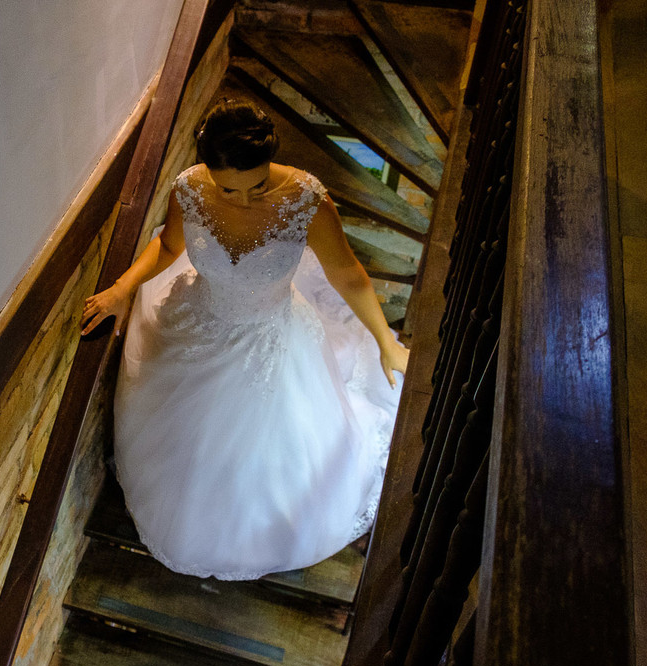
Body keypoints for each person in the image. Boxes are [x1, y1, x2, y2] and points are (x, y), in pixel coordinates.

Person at [80, 99, 409, 580]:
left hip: (272, 339)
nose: (244, 201)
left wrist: (384, 341)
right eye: (228, 189)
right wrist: (120, 289)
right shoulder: (189, 189)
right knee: (192, 441)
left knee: (270, 449)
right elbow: (169, 244)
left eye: (257, 186)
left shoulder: (307, 202)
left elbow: (349, 274)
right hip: (198, 325)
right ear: (207, 171)